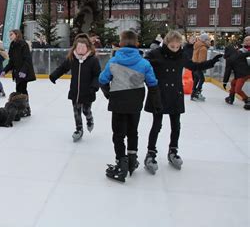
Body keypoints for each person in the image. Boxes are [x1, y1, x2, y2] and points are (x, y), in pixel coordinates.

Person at [143, 31, 223, 174]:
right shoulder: (157, 54)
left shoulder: (182, 55)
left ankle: (173, 151)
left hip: (175, 95)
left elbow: (195, 66)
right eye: (172, 46)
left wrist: (212, 62)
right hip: (160, 94)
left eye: (177, 46)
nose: (174, 49)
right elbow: (144, 62)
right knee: (156, 125)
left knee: (176, 125)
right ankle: (150, 153)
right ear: (167, 43)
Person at [99, 30, 162, 183]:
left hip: (118, 102)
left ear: (120, 44)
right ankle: (132, 159)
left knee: (118, 134)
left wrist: (109, 94)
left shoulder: (113, 61)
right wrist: (156, 102)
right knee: (133, 131)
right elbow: (152, 83)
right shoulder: (144, 63)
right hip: (135, 103)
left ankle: (122, 162)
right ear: (137, 43)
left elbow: (102, 79)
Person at [49, 33, 101, 142]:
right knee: (76, 111)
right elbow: (62, 68)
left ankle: (89, 118)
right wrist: (54, 75)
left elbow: (97, 75)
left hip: (88, 91)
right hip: (75, 91)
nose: (80, 49)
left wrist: (94, 87)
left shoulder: (93, 60)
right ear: (75, 47)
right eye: (78, 47)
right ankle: (79, 129)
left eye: (83, 47)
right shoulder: (72, 58)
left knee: (86, 110)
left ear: (88, 48)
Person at [1, 29, 36, 117]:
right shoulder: (12, 45)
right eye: (9, 35)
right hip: (17, 73)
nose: (10, 36)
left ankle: (26, 109)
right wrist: (5, 70)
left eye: (11, 34)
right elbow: (11, 61)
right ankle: (22, 108)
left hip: (24, 72)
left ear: (17, 34)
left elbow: (27, 59)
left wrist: (23, 71)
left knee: (22, 90)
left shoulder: (23, 44)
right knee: (19, 90)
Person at [223, 36, 250, 110]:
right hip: (241, 74)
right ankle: (231, 97)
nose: (247, 42)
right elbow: (247, 54)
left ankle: (247, 99)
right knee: (233, 83)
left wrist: (225, 82)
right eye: (246, 40)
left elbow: (227, 71)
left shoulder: (232, 57)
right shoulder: (240, 52)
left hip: (244, 74)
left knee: (238, 89)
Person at [191, 32, 211, 101]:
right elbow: (201, 60)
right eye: (208, 40)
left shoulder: (197, 46)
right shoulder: (203, 48)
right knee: (202, 79)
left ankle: (193, 94)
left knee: (196, 79)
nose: (210, 42)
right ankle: (197, 93)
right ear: (204, 40)